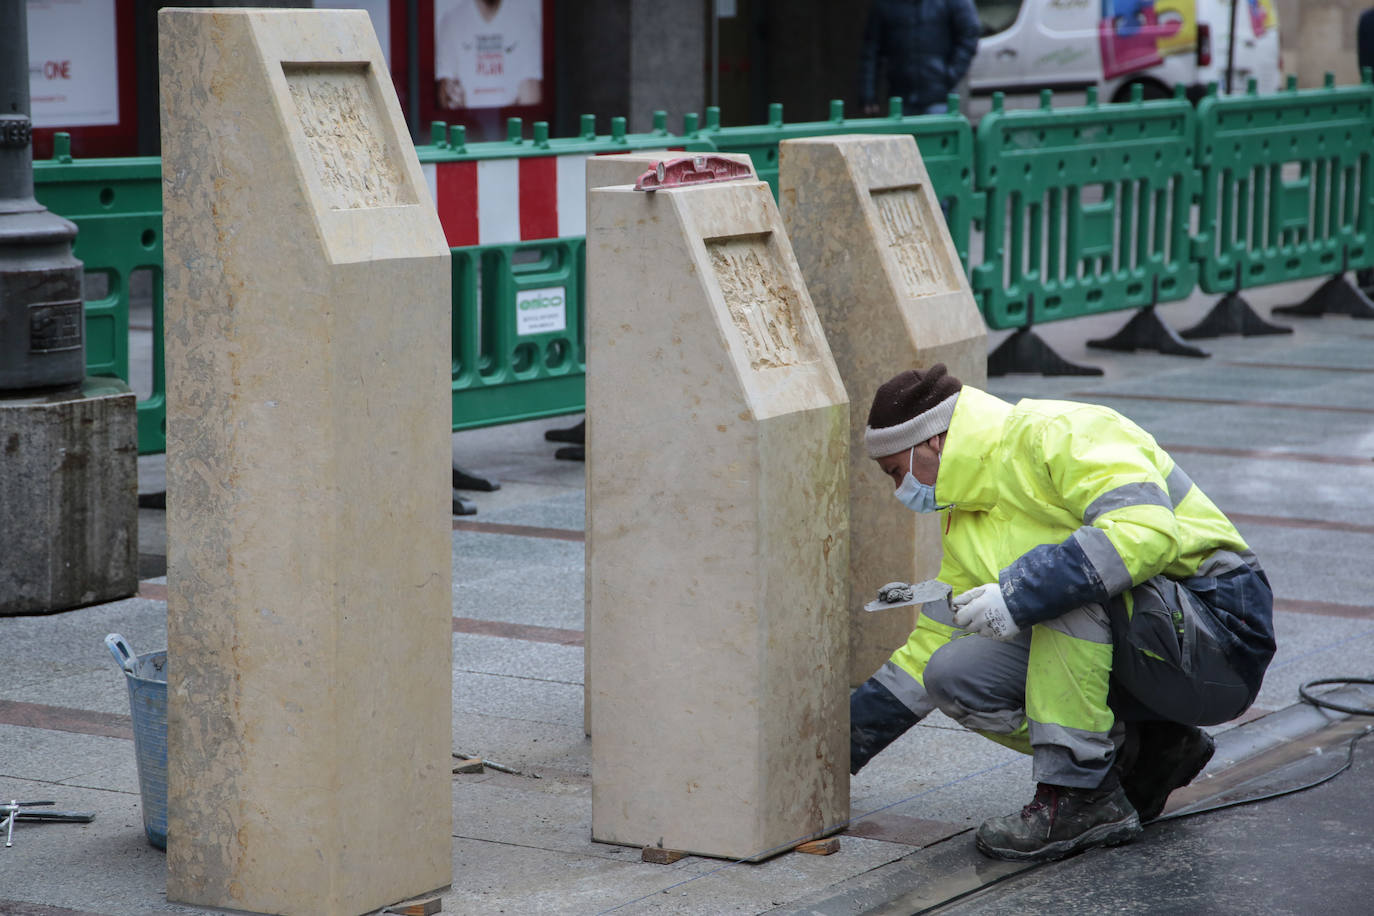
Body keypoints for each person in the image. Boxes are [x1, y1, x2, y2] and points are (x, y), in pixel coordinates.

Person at [849, 365, 1276, 862]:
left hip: (1222, 634)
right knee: (952, 673)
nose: (899, 489)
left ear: (934, 443)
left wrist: (1019, 594)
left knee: (1060, 587)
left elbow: (1147, 532)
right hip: (1156, 647)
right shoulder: (966, 514)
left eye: (896, 471)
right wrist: (837, 751)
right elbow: (932, 645)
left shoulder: (1061, 433)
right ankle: (1150, 751)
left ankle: (1077, 795)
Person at [858, 0, 981, 116]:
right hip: (900, 97)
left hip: (939, 96)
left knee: (935, 135)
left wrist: (950, 74)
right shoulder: (887, 4)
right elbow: (871, 50)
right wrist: (868, 94)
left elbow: (970, 33)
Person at [434, 0, 543, 110]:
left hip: (511, 124)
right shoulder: (451, 20)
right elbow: (445, 93)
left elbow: (531, 95)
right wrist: (451, 99)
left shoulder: (526, 20)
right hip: (467, 123)